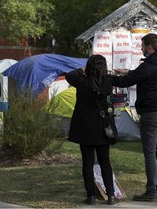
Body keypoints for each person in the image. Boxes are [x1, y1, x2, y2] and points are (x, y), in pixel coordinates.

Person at [110, 33, 157, 202]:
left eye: (142, 46)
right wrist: (128, 72)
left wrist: (107, 77)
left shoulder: (147, 66)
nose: (141, 49)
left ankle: (150, 191)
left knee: (150, 153)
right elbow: (143, 74)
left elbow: (125, 82)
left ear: (149, 47)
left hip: (150, 114)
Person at [65, 54, 116, 205]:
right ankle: (111, 194)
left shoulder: (82, 81)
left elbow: (69, 75)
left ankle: (91, 195)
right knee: (104, 161)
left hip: (85, 126)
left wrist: (82, 70)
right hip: (101, 125)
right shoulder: (107, 83)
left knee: (87, 162)